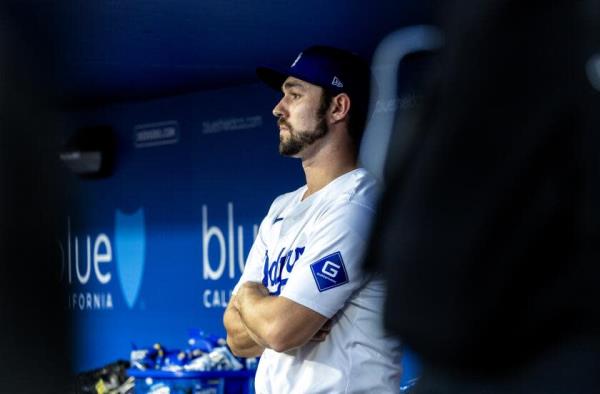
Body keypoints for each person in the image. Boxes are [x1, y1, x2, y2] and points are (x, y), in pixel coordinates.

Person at [223, 45, 402, 393]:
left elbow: (278, 331)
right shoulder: (281, 208)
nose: (278, 108)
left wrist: (248, 299)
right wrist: (268, 312)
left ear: (338, 107)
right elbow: (235, 338)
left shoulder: (358, 206)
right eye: (282, 96)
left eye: (295, 94)